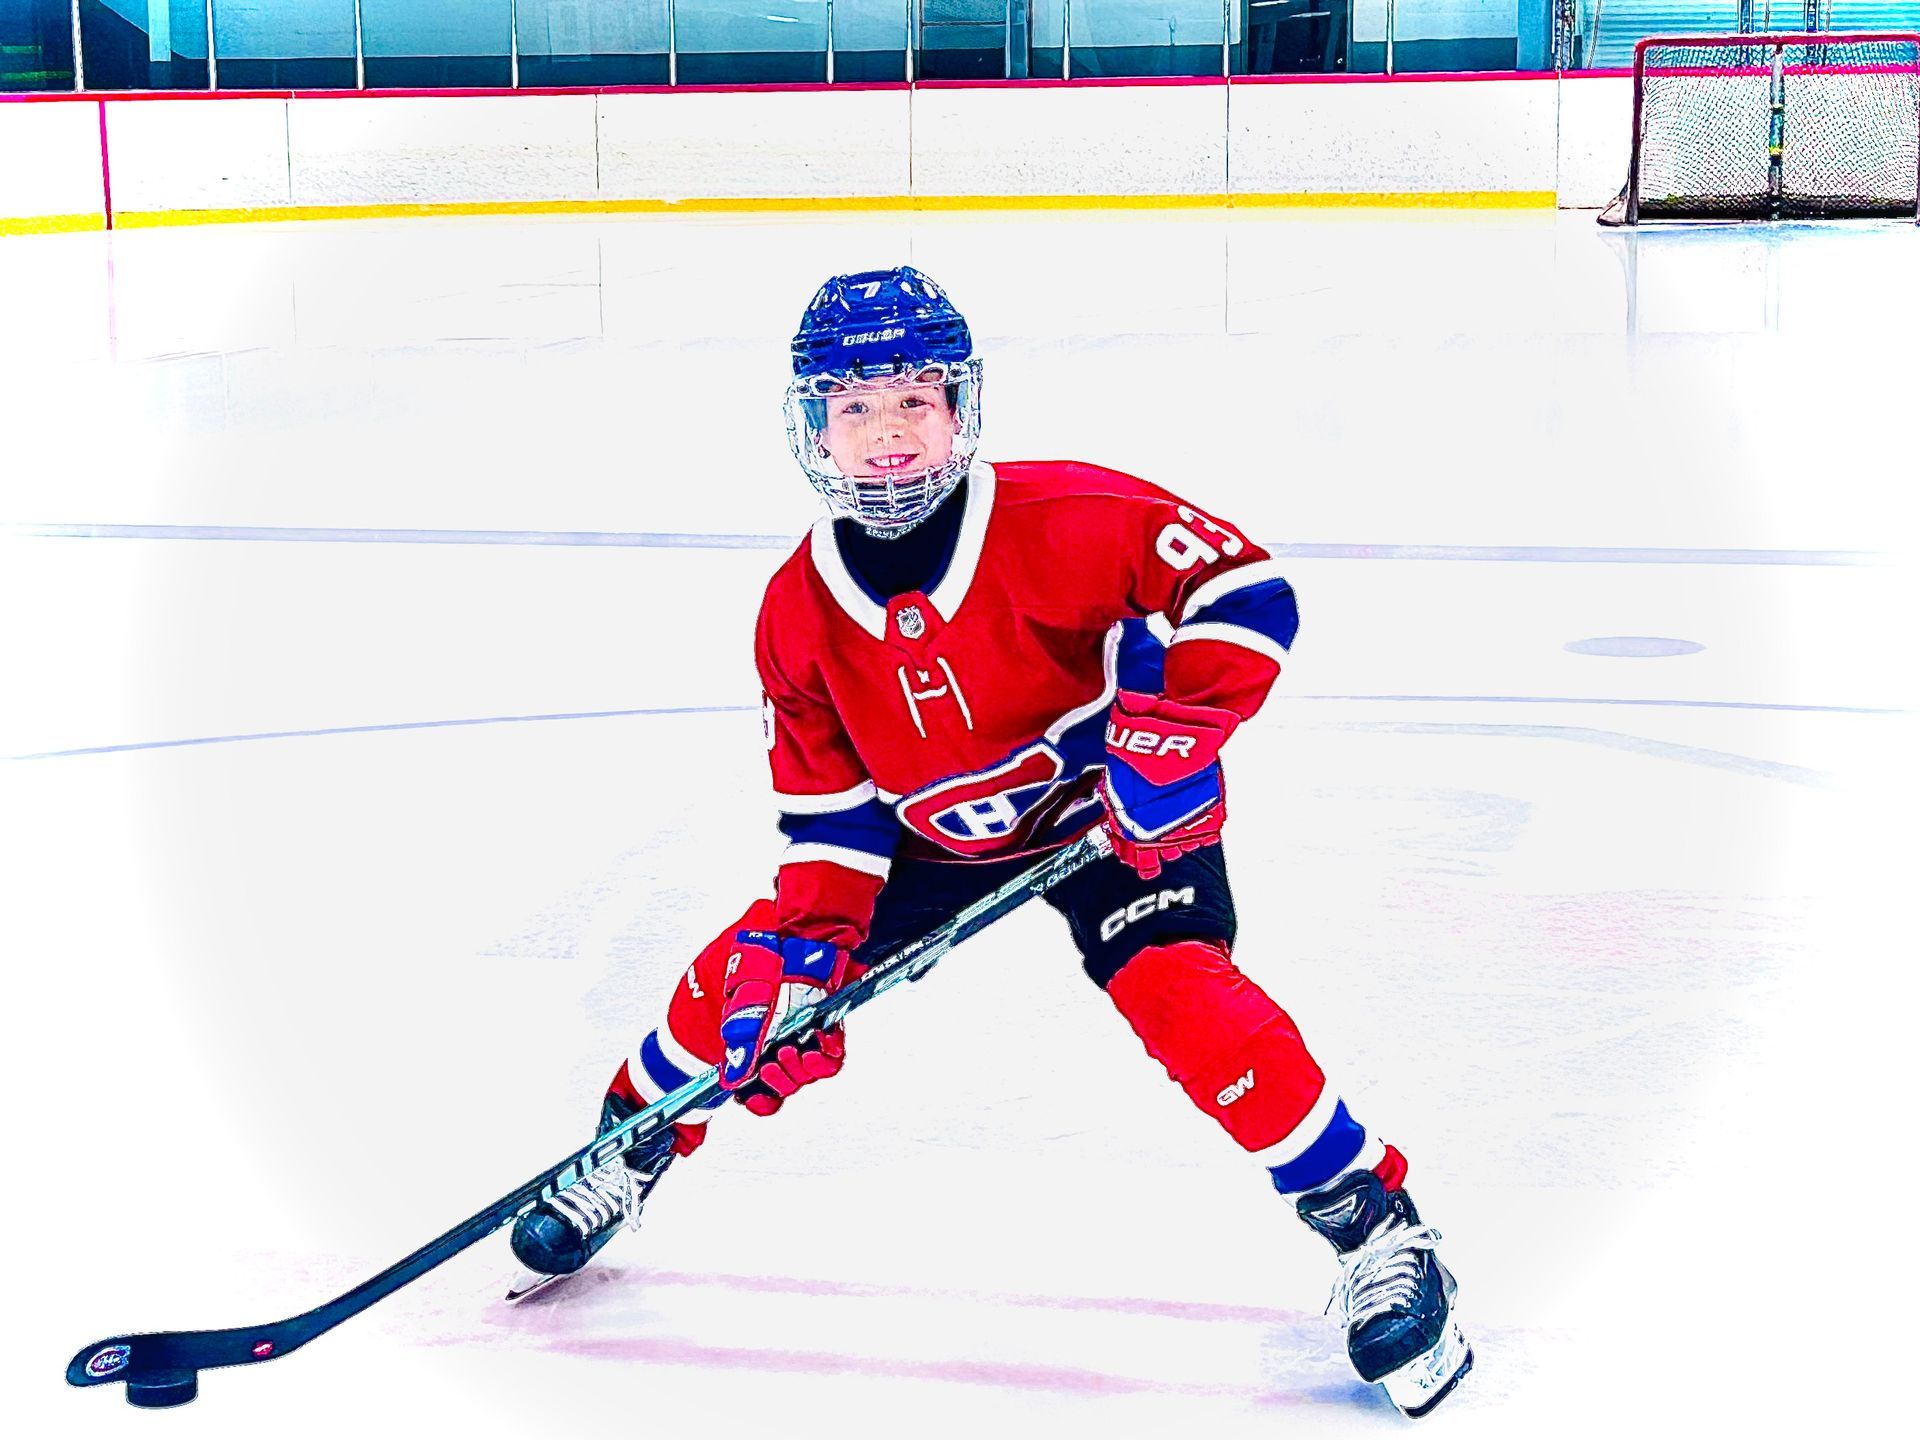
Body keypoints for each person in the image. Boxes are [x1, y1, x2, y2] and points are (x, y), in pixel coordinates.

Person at [509, 267, 1473, 1416]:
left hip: (1115, 815)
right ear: (811, 426)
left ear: (961, 410)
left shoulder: (1070, 518)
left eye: (914, 402)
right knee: (743, 987)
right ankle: (634, 1143)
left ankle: (1377, 1227)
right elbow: (832, 825)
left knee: (1186, 998)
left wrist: (1171, 736)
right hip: (928, 849)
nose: (888, 439)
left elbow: (1246, 590)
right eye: (854, 409)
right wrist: (811, 958)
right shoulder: (796, 615)